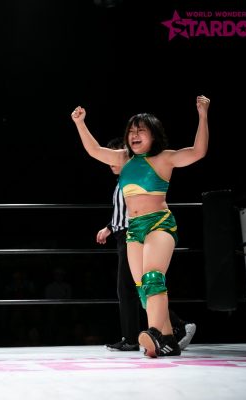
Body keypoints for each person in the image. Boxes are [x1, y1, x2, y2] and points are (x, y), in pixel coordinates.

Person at [72, 95, 210, 357]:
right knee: (143, 291)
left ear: (154, 135)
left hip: (159, 224)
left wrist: (202, 115)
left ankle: (155, 333)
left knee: (153, 278)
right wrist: (80, 123)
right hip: (133, 228)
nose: (134, 135)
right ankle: (168, 340)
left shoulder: (165, 158)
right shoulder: (123, 159)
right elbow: (94, 150)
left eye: (141, 131)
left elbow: (198, 151)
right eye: (131, 131)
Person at [97, 137, 196, 352]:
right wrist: (110, 227)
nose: (111, 162)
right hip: (125, 233)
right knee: (136, 288)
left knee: (138, 285)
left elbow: (140, 208)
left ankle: (160, 331)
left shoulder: (135, 176)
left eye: (115, 155)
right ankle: (169, 331)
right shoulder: (122, 181)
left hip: (136, 232)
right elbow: (125, 210)